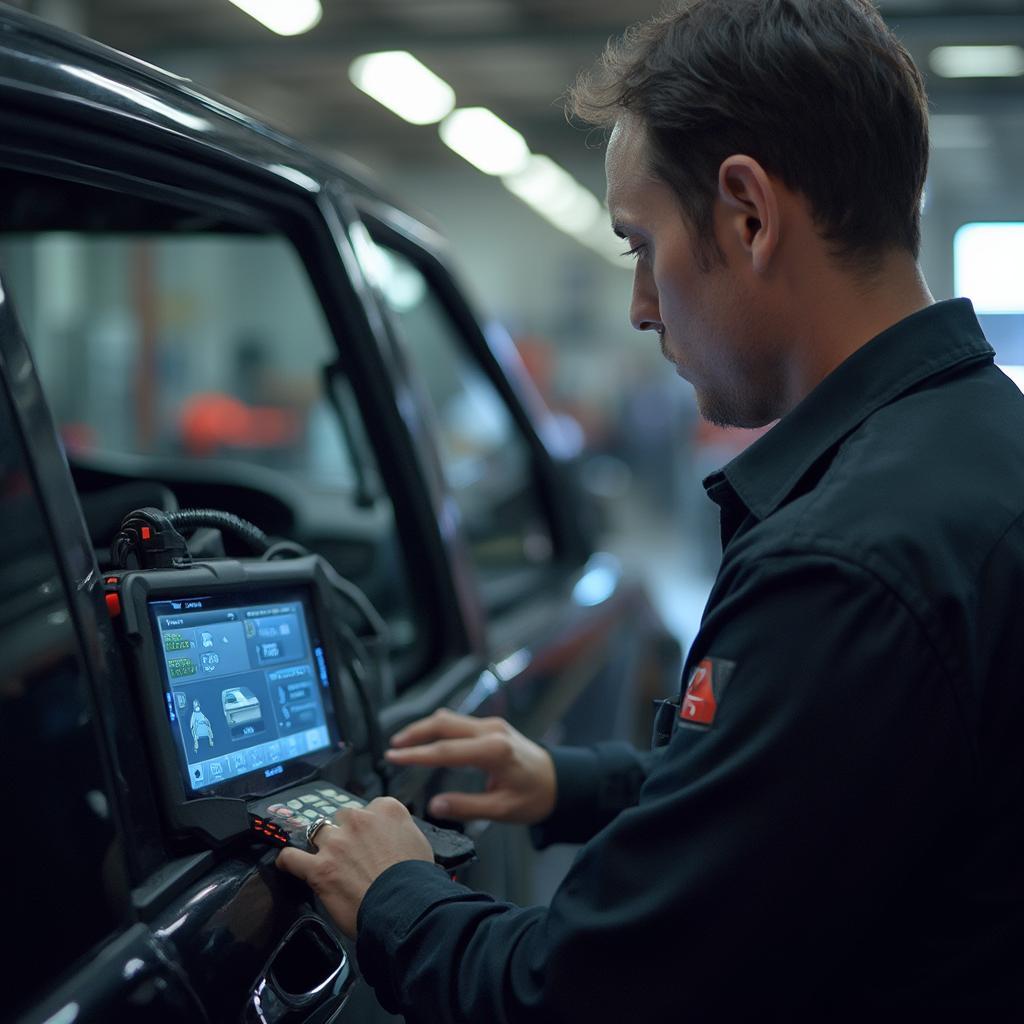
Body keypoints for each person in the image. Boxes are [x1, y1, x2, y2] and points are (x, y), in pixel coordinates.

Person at [277, 0, 1024, 1016]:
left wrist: (395, 895)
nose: (638, 303)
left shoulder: (844, 561)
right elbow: (823, 790)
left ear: (747, 215)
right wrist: (572, 783)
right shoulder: (976, 445)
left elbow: (588, 992)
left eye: (638, 241)